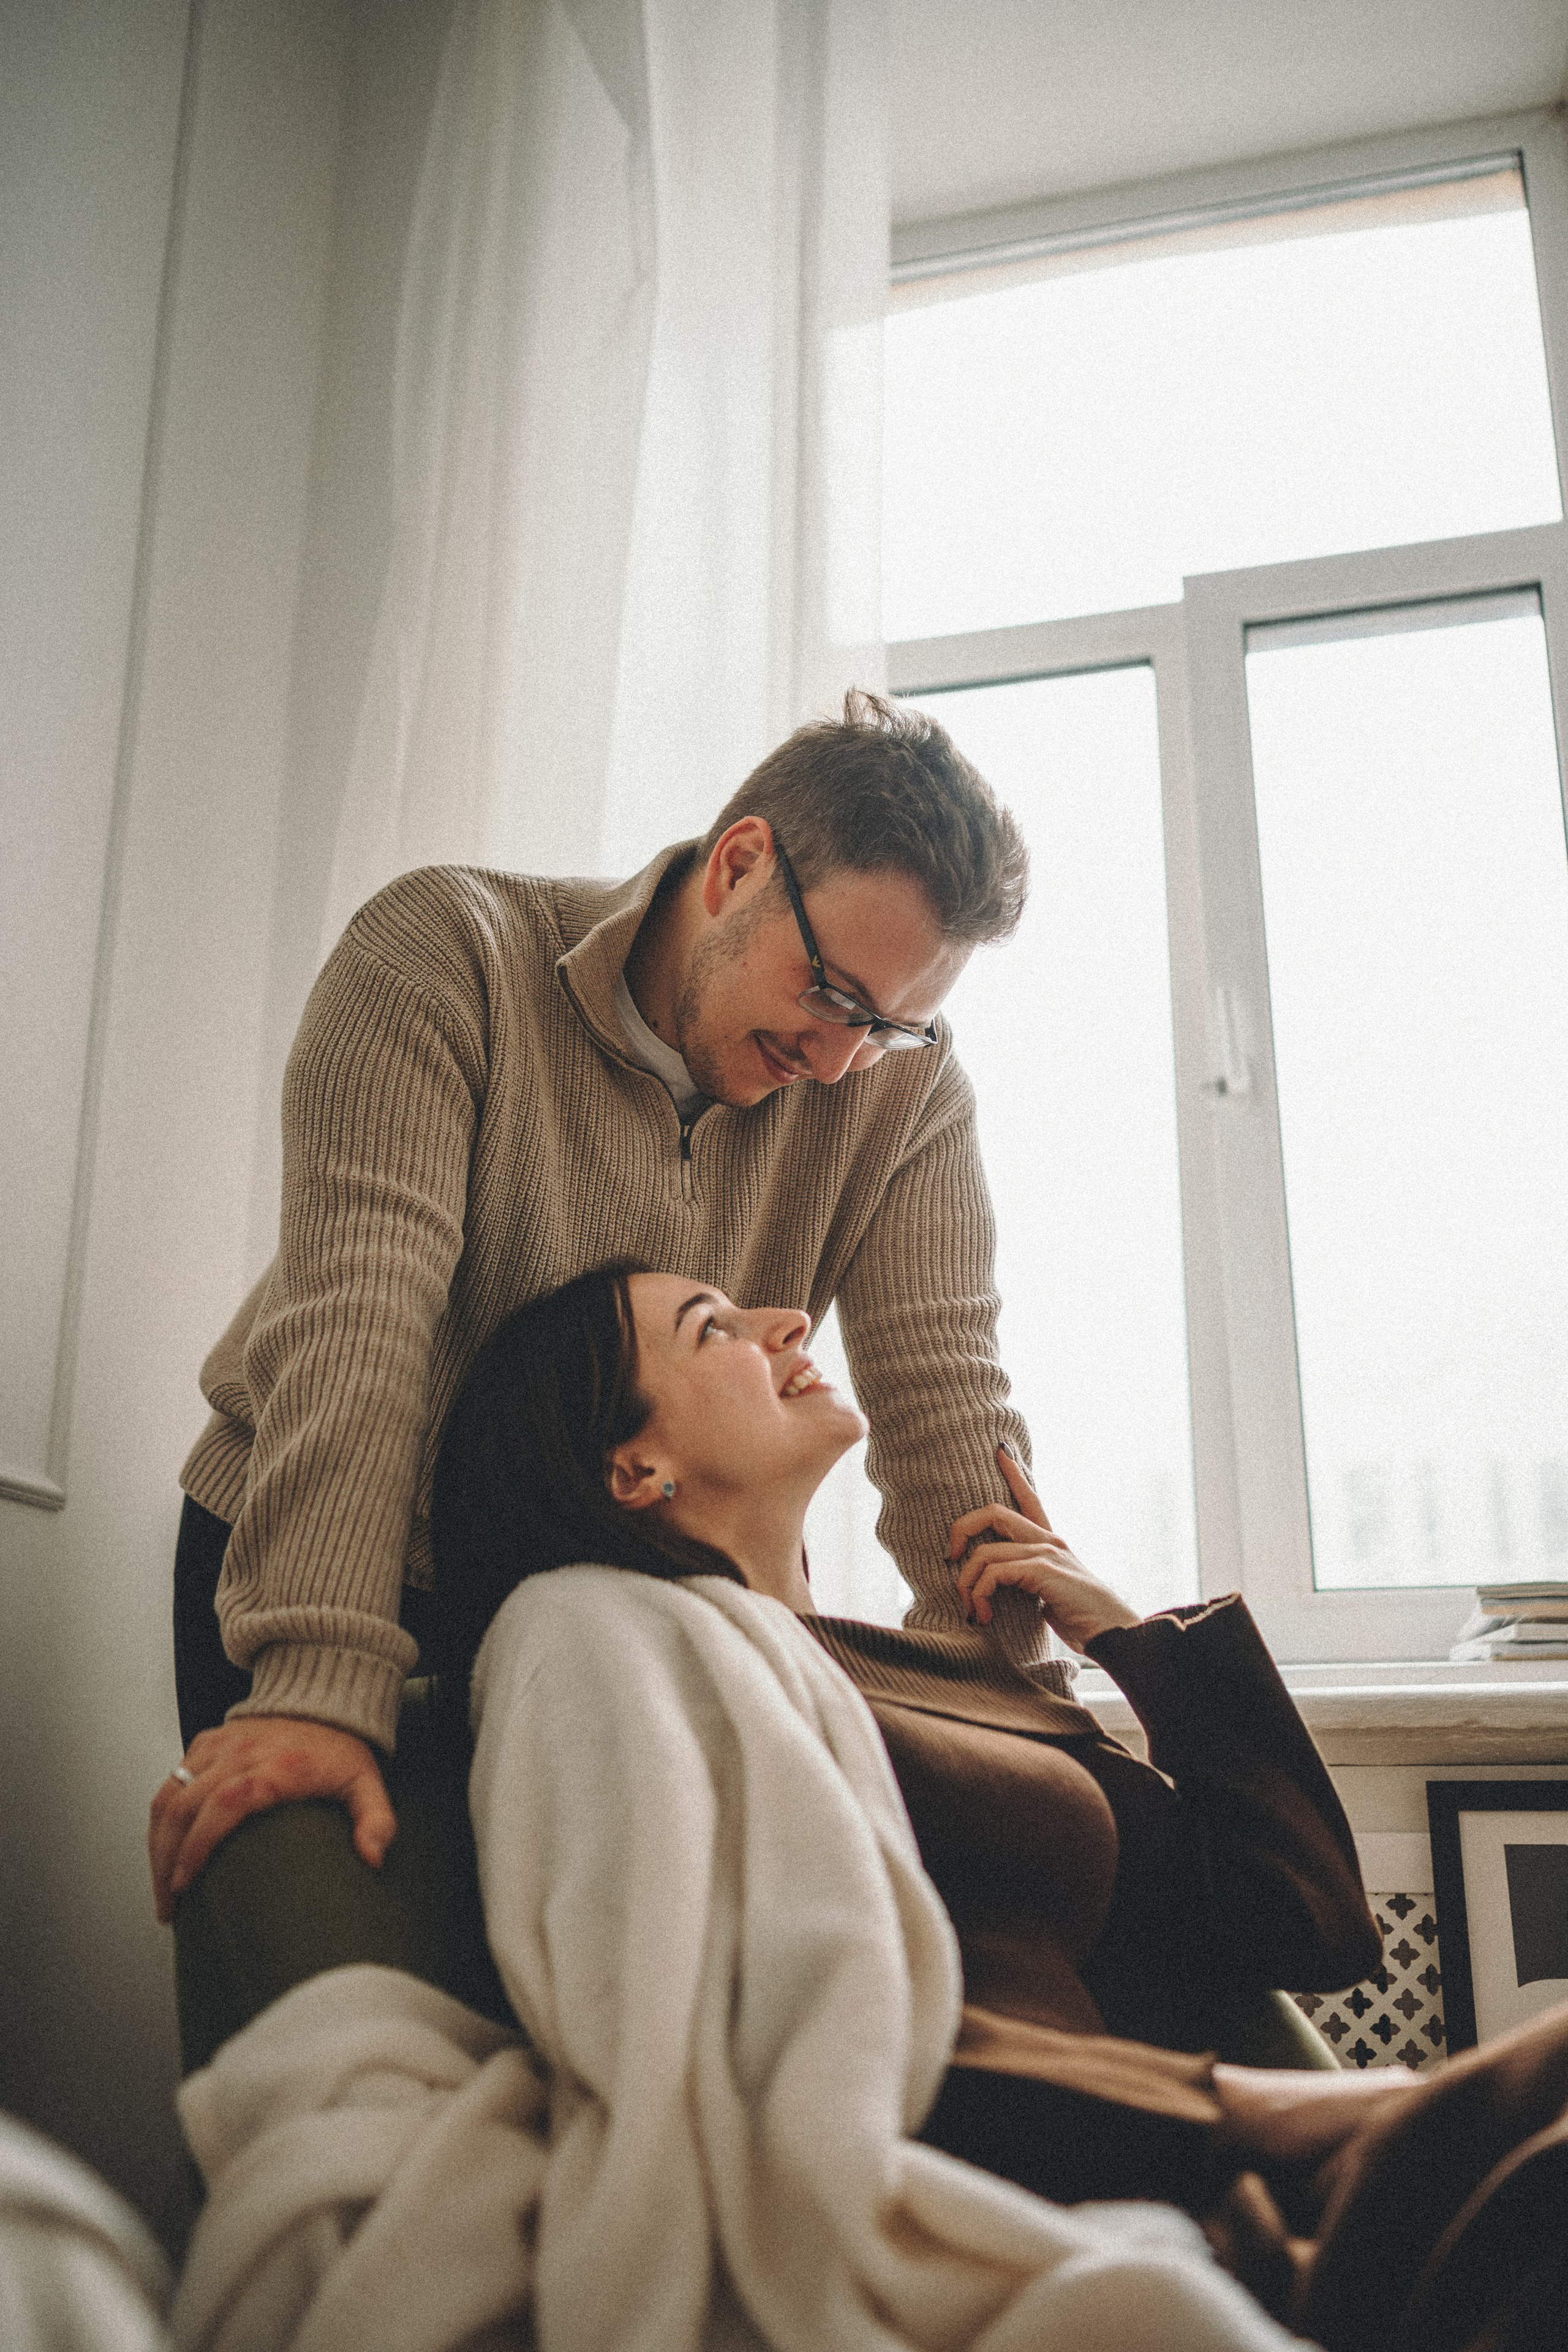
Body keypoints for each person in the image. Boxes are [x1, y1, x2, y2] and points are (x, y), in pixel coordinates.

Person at [418, 1259, 1568, 2352]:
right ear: (633, 1469)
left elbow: (1302, 1922)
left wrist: (1133, 1642)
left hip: (1268, 2183)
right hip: (1079, 2209)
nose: (787, 1324)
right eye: (710, 1328)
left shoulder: (943, 1669)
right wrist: (1265, 2114)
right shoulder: (608, 1636)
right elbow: (771, 2039)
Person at [151, 690, 1054, 1924]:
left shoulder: (905, 1094)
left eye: (891, 1026)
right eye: (834, 995)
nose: (841, 1061)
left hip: (620, 1620)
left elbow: (949, 1390)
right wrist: (315, 1681)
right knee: (342, 1954)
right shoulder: (445, 952)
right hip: (332, 1554)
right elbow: (358, 1327)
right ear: (738, 865)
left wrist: (1014, 1725)